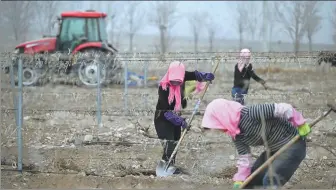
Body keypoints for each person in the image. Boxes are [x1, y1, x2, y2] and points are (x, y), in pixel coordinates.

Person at [201, 98, 311, 189]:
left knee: (270, 180)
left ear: (223, 117)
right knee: (250, 182)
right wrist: (240, 179)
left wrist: (300, 123)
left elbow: (283, 108)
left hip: (293, 146)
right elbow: (244, 158)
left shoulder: (251, 113)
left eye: (216, 123)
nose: (218, 128)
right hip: (274, 150)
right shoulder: (236, 135)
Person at [154, 61, 215, 174]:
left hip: (175, 117)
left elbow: (194, 75)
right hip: (162, 119)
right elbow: (165, 111)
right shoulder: (163, 87)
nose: (176, 83)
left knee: (176, 141)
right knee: (170, 143)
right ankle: (164, 167)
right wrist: (180, 121)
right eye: (174, 81)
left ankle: (170, 166)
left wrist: (205, 76)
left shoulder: (181, 76)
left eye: (179, 81)